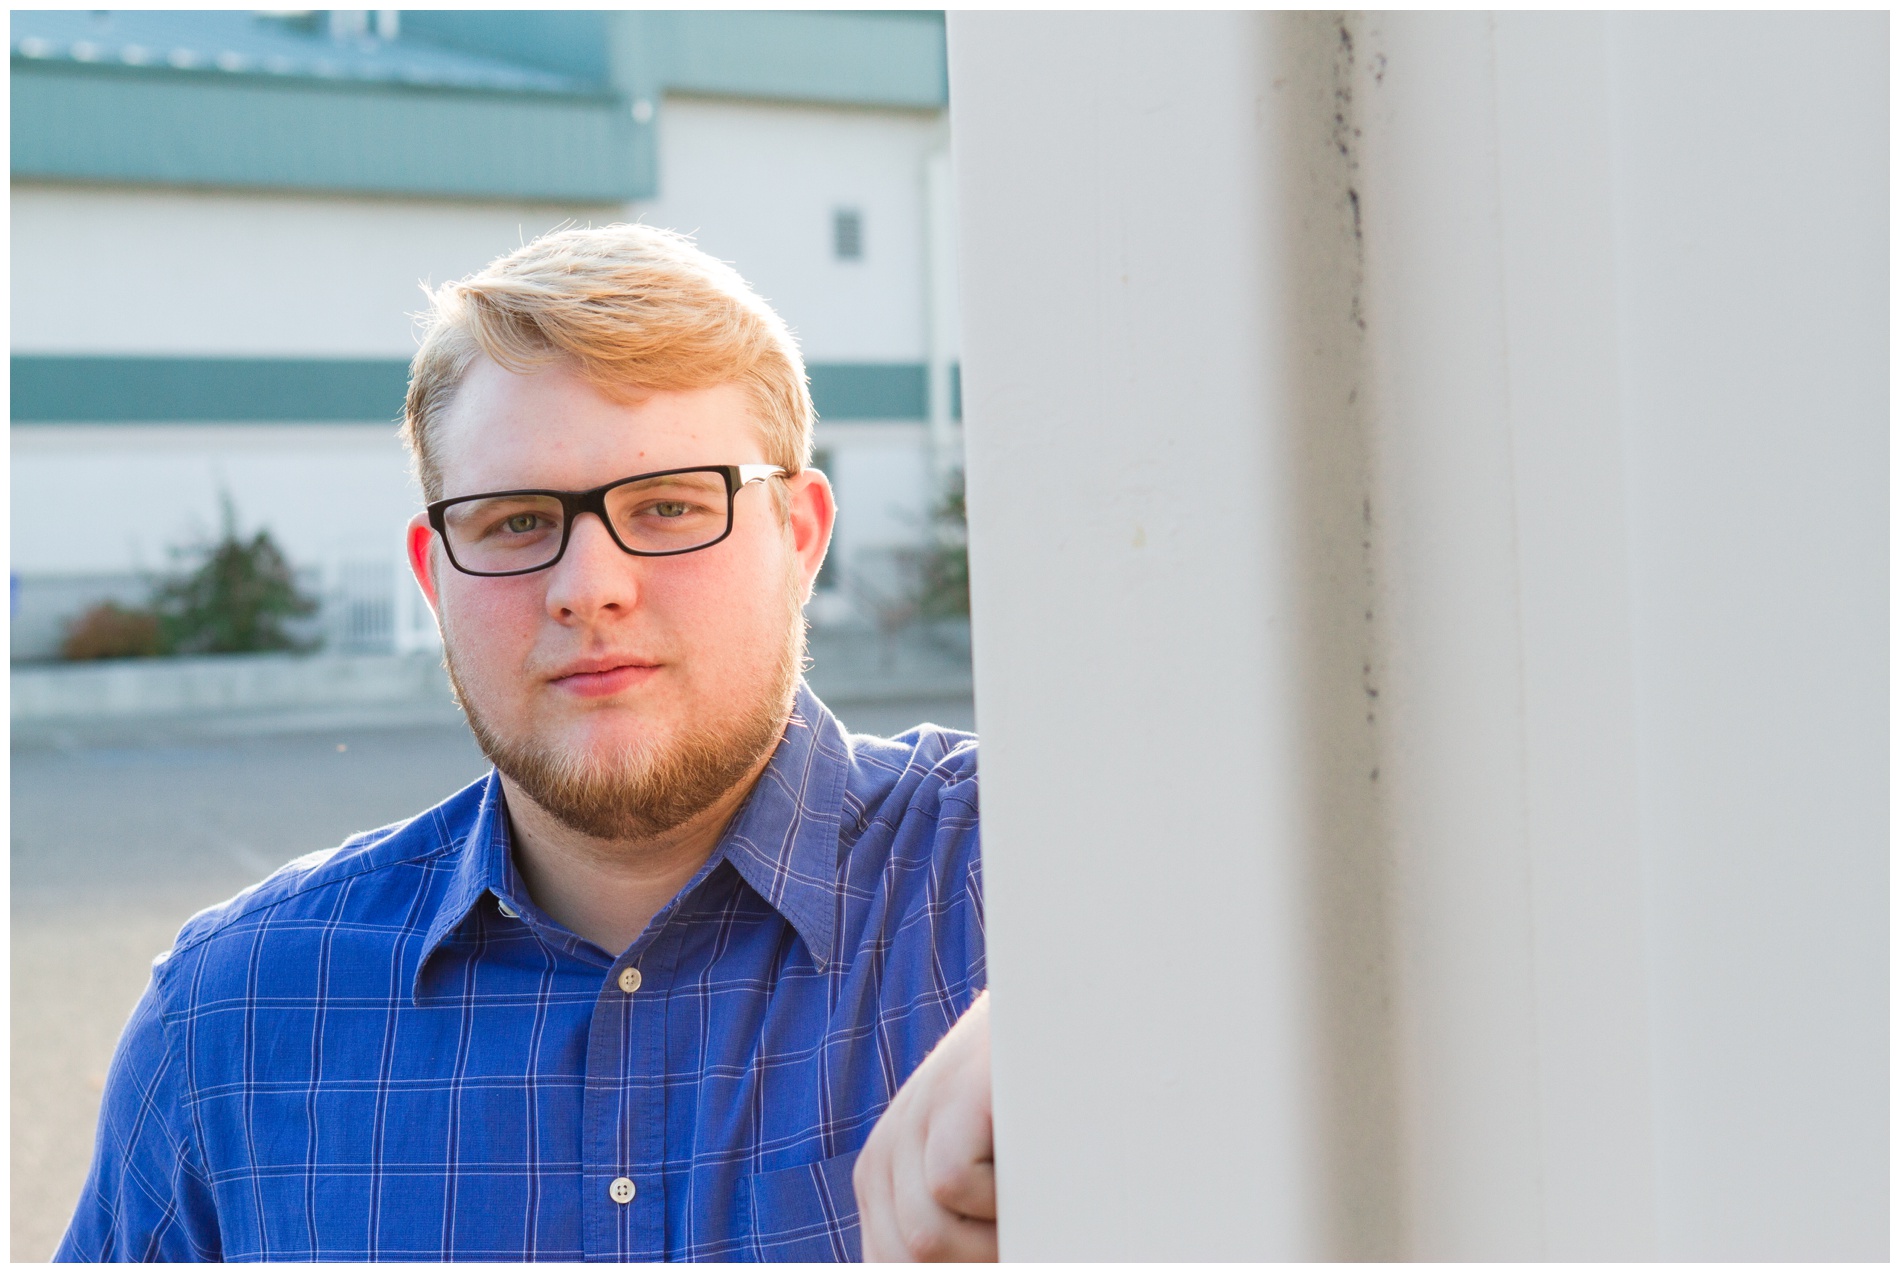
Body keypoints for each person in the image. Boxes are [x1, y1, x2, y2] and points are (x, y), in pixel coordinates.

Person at [57, 224, 997, 1262]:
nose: (588, 585)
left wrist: (1086, 1011)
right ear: (433, 575)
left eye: (671, 505)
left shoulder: (1026, 887)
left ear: (801, 536)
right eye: (514, 522)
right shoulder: (229, 1025)